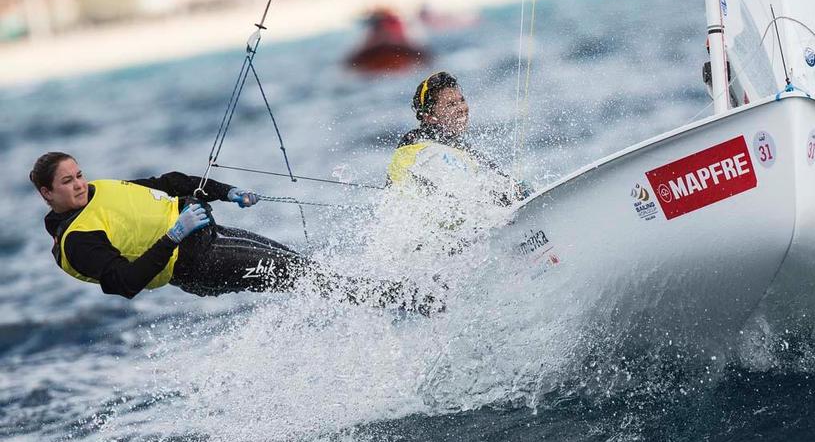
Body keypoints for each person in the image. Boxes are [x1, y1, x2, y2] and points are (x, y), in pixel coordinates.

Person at [32, 152, 435, 312]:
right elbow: (123, 283)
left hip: (210, 240)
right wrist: (174, 234)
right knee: (305, 276)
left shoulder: (100, 191)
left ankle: (402, 298)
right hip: (199, 263)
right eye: (67, 182)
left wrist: (228, 192)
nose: (80, 184)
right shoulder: (78, 238)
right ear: (47, 193)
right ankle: (411, 301)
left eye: (79, 174)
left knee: (306, 272)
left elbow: (171, 181)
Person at [386, 71, 531, 206]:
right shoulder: (419, 148)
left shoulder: (456, 146)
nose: (462, 108)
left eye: (461, 100)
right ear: (429, 117)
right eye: (451, 104)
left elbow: (498, 180)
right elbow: (462, 197)